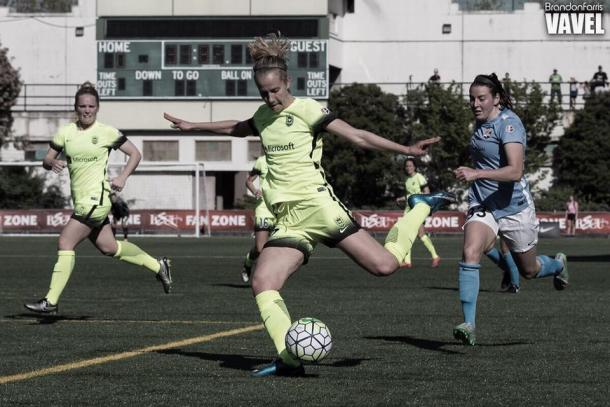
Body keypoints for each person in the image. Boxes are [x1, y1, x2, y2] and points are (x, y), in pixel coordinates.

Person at [164, 33, 455, 377]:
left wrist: (405, 150)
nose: (271, 98)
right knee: (262, 282)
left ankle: (419, 207)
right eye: (263, 93)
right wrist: (193, 124)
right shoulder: (262, 117)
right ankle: (288, 359)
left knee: (385, 267)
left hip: (321, 209)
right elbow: (237, 127)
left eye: (275, 91)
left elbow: (358, 136)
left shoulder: (308, 110)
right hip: (288, 220)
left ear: (287, 81)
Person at [24, 82, 172, 315]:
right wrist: (51, 162)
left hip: (96, 200)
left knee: (65, 242)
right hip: (82, 200)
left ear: (97, 108)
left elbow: (135, 154)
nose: (87, 110)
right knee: (109, 247)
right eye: (82, 106)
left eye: (91, 106)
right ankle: (158, 265)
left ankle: (50, 302)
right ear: (76, 107)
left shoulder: (106, 132)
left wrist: (123, 177)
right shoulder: (66, 132)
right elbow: (47, 159)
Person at [452, 73, 569, 346]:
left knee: (529, 270)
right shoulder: (480, 125)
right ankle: (468, 324)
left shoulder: (510, 124)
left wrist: (476, 174)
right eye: (472, 99)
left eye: (481, 98)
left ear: (496, 99)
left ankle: (558, 264)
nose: (475, 104)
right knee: (470, 251)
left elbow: (515, 171)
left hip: (515, 208)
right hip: (484, 204)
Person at [395, 157, 441, 268]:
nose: (408, 168)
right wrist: (403, 199)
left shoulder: (419, 177)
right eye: (407, 166)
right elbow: (410, 195)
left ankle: (435, 256)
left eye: (410, 165)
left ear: (414, 167)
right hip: (408, 209)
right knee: (407, 234)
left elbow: (426, 193)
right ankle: (407, 262)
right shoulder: (407, 180)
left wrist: (424, 206)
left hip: (417, 209)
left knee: (420, 234)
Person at [241, 155, 276, 283]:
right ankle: (248, 262)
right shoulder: (262, 161)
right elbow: (249, 180)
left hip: (281, 209)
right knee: (260, 248)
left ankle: (268, 276)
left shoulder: (288, 159)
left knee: (277, 247)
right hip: (264, 209)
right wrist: (255, 191)